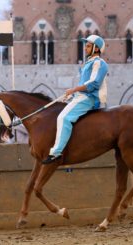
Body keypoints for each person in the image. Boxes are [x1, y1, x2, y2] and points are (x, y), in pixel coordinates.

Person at [42, 34, 108, 164]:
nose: (85, 48)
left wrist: (74, 90)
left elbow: (94, 83)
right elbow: (84, 83)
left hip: (90, 98)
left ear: (96, 49)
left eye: (88, 46)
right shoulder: (89, 63)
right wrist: (72, 95)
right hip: (82, 96)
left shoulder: (99, 63)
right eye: (86, 46)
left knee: (64, 118)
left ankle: (56, 152)